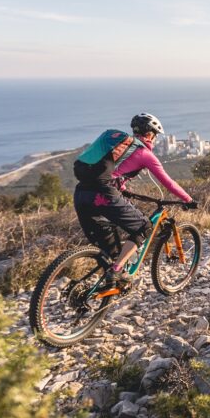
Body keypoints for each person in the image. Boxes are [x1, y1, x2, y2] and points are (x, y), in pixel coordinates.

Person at [73, 113, 196, 288]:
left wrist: (122, 189)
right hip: (104, 195)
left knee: (111, 249)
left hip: (81, 193)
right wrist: (188, 199)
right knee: (144, 227)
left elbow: (114, 173)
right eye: (155, 135)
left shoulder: (120, 148)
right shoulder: (145, 154)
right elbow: (168, 182)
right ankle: (117, 270)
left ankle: (109, 284)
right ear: (150, 134)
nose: (155, 139)